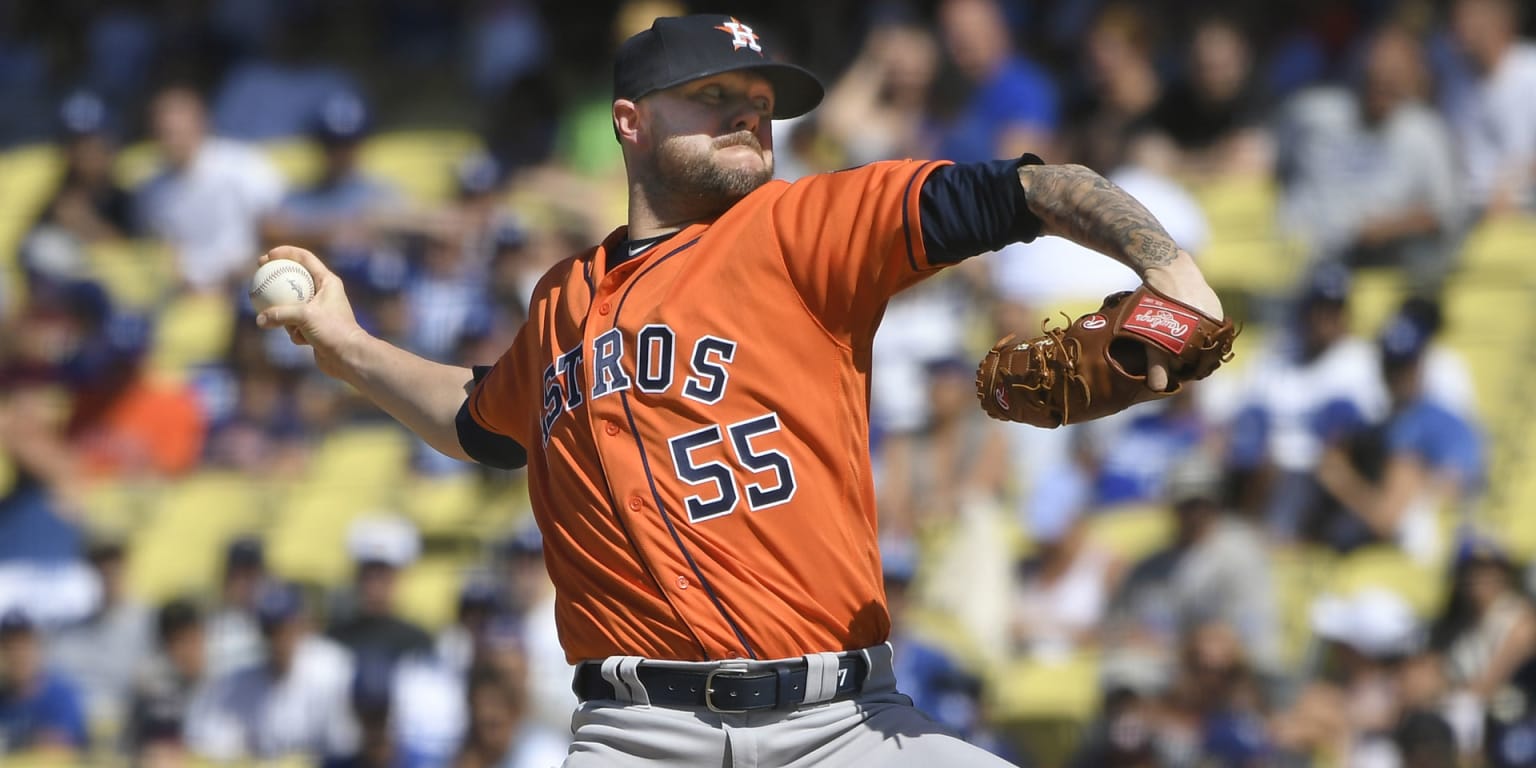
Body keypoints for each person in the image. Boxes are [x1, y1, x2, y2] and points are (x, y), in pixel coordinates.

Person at [252, 13, 1227, 765]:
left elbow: (1032, 189)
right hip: (638, 736)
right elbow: (481, 420)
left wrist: (1173, 274)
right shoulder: (561, 305)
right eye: (712, 94)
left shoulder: (803, 226)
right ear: (630, 122)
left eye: (758, 97)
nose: (748, 112)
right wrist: (345, 347)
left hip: (844, 723)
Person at [0, 609, 89, 756]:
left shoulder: (61, 695)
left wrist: (13, 742)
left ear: (39, 648)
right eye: (9, 647)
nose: (18, 654)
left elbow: (58, 745)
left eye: (24, 645)